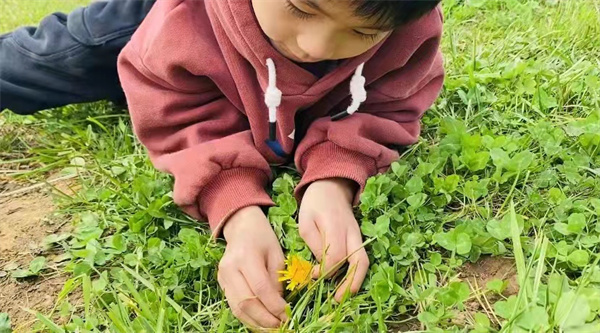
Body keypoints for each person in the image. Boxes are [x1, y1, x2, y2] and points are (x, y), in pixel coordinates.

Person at [1, 0, 443, 329]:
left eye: (362, 33)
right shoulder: (177, 21)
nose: (314, 46)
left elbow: (386, 103)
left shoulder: (405, 22)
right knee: (39, 63)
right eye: (300, 8)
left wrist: (334, 180)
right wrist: (232, 204)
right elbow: (177, 111)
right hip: (153, 20)